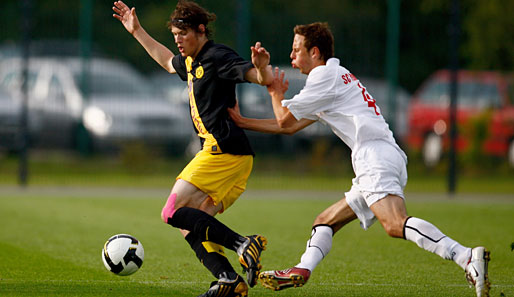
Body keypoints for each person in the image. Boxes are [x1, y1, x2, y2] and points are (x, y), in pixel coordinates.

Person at [227, 22, 490, 297]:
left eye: (296, 50)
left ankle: (465, 256)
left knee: (394, 223)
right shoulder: (335, 75)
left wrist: (273, 89)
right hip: (383, 154)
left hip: (374, 156)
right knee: (326, 220)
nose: (292, 57)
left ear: (315, 52)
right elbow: (290, 126)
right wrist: (243, 121)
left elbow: (282, 119)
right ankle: (302, 268)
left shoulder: (322, 77)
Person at [112, 1, 273, 296]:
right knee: (192, 225)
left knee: (171, 211)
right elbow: (165, 60)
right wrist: (136, 30)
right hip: (230, 155)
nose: (177, 40)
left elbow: (257, 77)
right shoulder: (190, 61)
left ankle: (242, 244)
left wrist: (261, 70)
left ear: (201, 30)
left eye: (182, 34)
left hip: (222, 150)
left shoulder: (217, 56)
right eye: (175, 34)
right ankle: (229, 281)